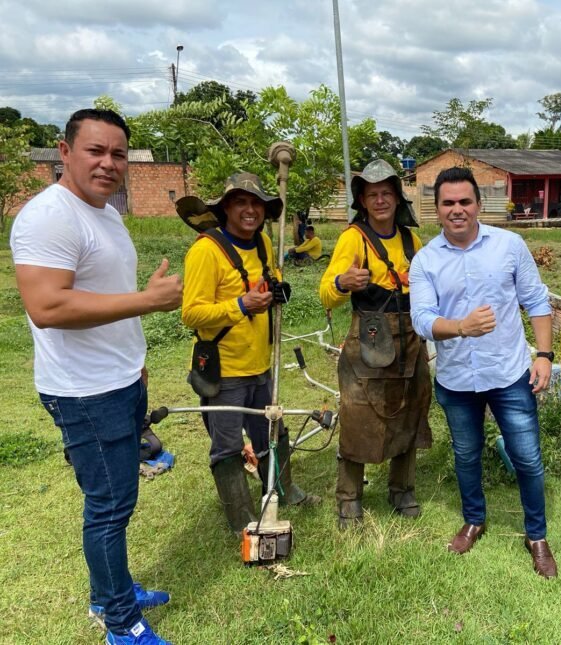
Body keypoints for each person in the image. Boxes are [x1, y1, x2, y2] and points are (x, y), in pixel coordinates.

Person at [11, 109, 182, 644]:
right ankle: (119, 620)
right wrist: (148, 302)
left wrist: (135, 361)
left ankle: (113, 591)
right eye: (95, 151)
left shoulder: (102, 211)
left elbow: (101, 294)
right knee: (109, 506)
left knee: (117, 499)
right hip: (85, 391)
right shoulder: (49, 217)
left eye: (118, 154)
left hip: (118, 378)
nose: (109, 163)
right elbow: (47, 306)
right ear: (64, 152)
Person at [410, 167, 558, 579]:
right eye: (448, 203)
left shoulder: (509, 246)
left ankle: (537, 536)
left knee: (527, 457)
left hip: (509, 373)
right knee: (466, 454)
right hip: (456, 380)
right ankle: (475, 519)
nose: (457, 210)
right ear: (436, 209)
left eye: (465, 201)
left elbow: (537, 301)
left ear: (478, 204)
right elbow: (422, 318)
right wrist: (459, 327)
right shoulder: (425, 261)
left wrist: (544, 354)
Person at [178, 173, 320, 538]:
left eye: (256, 203)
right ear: (226, 207)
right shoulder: (205, 250)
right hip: (224, 370)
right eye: (241, 202)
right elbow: (191, 314)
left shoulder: (263, 244)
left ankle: (283, 491)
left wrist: (275, 292)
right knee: (226, 446)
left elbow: (265, 284)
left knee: (273, 431)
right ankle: (241, 515)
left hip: (262, 361)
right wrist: (241, 304)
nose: (250, 210)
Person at [319, 159, 432, 530]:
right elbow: (325, 294)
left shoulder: (411, 240)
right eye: (372, 194)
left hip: (410, 341)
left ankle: (402, 490)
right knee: (357, 415)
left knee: (410, 411)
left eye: (387, 193)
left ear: (398, 198)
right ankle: (349, 499)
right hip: (368, 338)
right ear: (363, 202)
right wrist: (342, 283)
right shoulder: (353, 238)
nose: (380, 200)